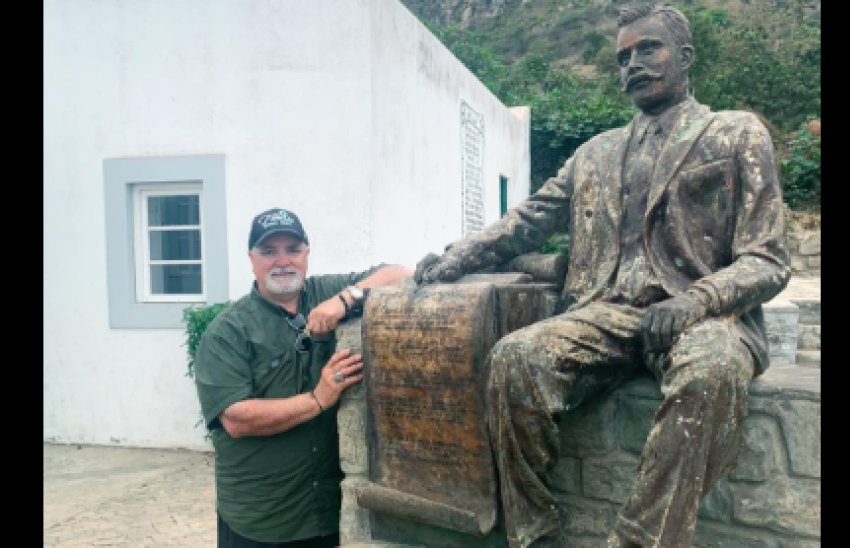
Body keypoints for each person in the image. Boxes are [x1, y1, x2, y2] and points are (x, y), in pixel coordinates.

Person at [414, 4, 790, 547]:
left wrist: (696, 302)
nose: (632, 64)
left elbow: (769, 259)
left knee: (712, 369)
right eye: (623, 57)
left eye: (647, 49)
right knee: (513, 359)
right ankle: (534, 535)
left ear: (684, 58)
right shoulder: (594, 152)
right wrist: (456, 257)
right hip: (605, 313)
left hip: (701, 316)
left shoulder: (733, 134)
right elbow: (527, 221)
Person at [194, 207, 412, 548]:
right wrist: (318, 399)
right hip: (263, 519)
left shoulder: (325, 292)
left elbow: (400, 274)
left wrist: (346, 299)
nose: (283, 261)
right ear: (251, 258)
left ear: (306, 254)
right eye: (269, 251)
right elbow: (236, 418)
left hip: (328, 513)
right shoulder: (227, 332)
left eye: (293, 249)